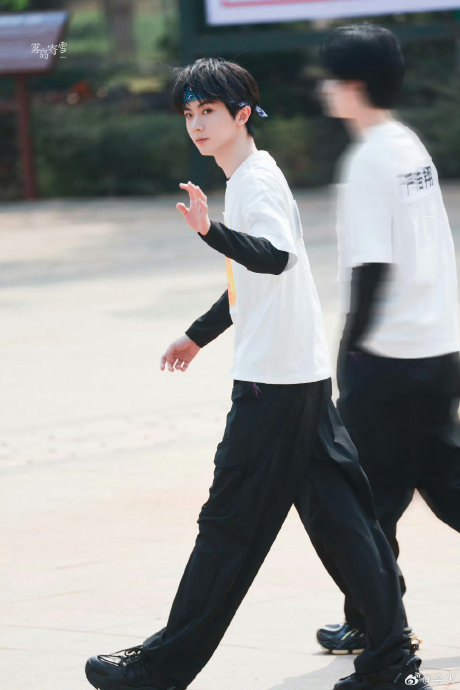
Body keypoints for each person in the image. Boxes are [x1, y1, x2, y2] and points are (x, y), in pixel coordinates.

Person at [85, 57, 431, 690]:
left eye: (209, 112)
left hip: (272, 388)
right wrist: (197, 334)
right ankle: (392, 664)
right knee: (349, 528)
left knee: (228, 529)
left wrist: (209, 231)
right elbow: (255, 281)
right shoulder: (251, 175)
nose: (196, 124)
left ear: (242, 114)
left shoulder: (253, 181)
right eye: (189, 113)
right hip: (298, 380)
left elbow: (273, 258)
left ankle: (159, 669)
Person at [315, 23, 460, 656]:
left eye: (330, 78)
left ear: (352, 85)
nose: (324, 89)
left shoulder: (369, 158)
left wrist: (350, 350)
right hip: (437, 348)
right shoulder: (407, 145)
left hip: (389, 360)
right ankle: (369, 617)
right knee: (425, 485)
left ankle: (377, 625)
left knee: (358, 498)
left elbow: (371, 267)